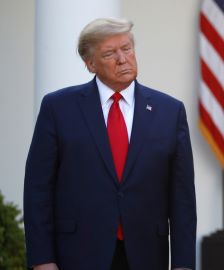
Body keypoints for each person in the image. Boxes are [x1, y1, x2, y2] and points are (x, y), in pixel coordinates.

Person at [24, 18, 196, 270]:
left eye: (126, 48)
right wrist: (42, 260)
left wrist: (183, 264)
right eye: (109, 53)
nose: (122, 59)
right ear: (90, 64)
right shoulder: (58, 108)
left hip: (146, 255)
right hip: (77, 254)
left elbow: (182, 197)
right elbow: (38, 189)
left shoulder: (170, 111)